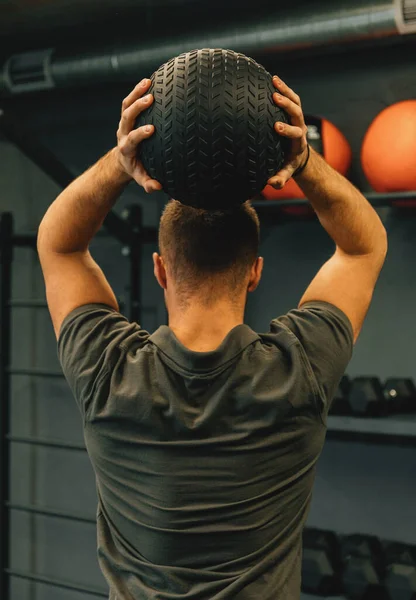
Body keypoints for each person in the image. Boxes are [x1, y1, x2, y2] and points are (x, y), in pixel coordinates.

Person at [37, 76, 387, 600]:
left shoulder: (110, 373)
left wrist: (121, 160)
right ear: (255, 272)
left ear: (159, 269)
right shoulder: (299, 370)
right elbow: (363, 248)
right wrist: (305, 163)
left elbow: (59, 246)